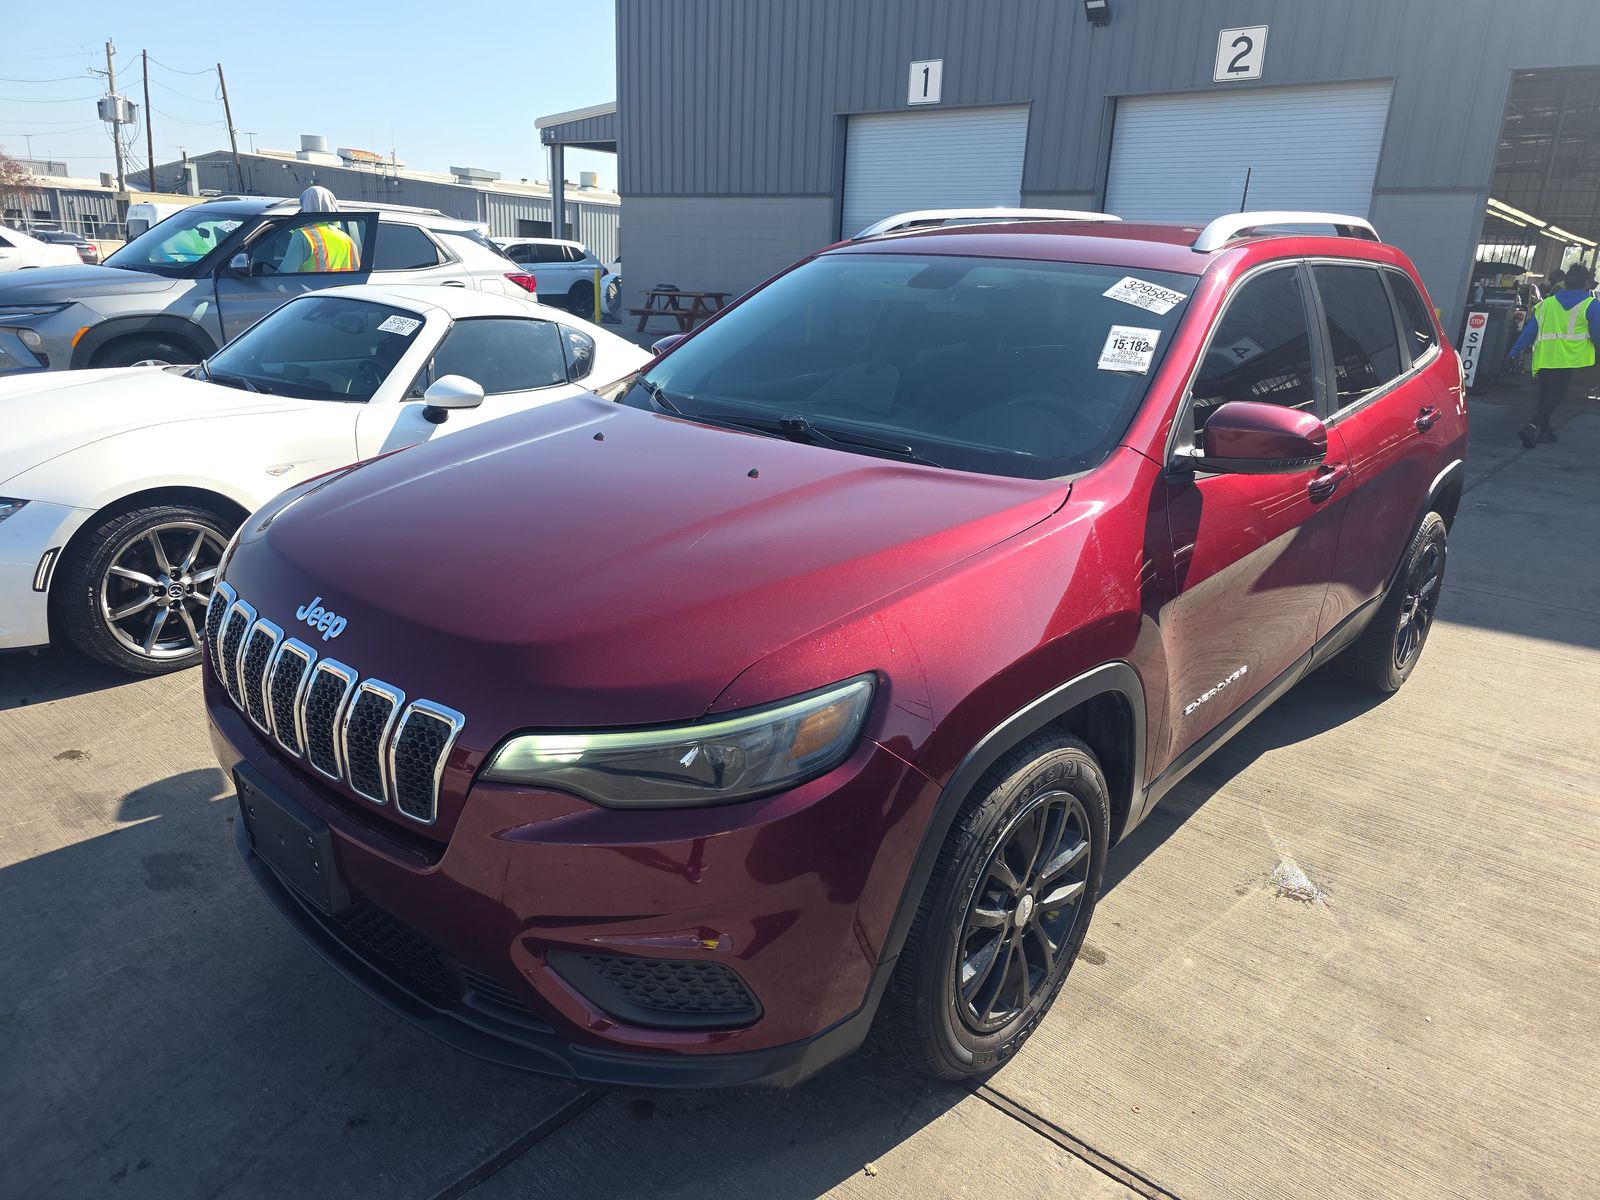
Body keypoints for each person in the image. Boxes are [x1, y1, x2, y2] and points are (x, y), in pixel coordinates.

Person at [1506, 262, 1598, 447]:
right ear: (1586, 284)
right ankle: (1532, 426)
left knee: (1546, 394)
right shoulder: (1591, 305)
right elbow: (1597, 333)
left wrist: (1515, 351)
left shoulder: (1547, 304)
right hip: (1568, 359)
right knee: (1555, 397)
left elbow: (1530, 330)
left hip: (1544, 357)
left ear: (1566, 282)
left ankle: (1545, 431)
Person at [282, 185, 360, 273]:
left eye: (302, 208)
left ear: (307, 207)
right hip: (341, 286)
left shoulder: (302, 236)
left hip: (308, 286)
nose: (301, 211)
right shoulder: (347, 240)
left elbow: (283, 275)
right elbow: (359, 272)